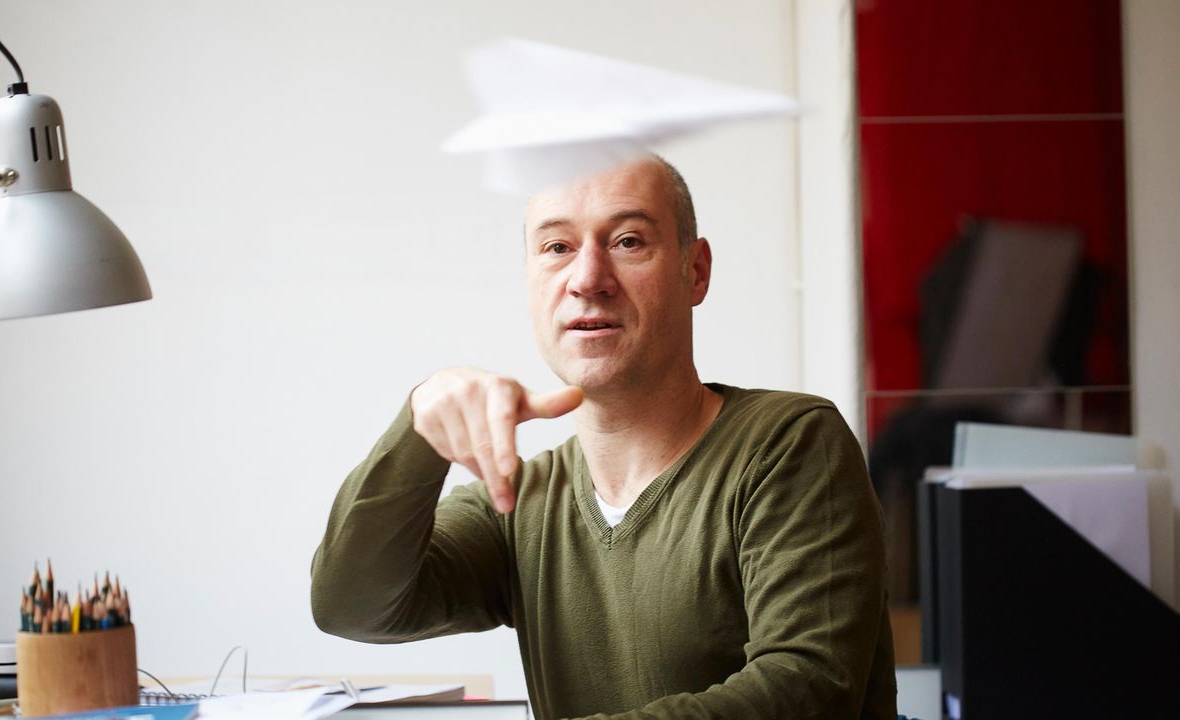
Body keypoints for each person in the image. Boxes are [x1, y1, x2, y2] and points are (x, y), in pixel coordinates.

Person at [310, 155, 896, 720]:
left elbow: (810, 690)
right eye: (557, 248)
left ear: (694, 270)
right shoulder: (523, 502)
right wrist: (421, 426)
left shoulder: (790, 444)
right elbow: (351, 607)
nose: (587, 279)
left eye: (628, 242)